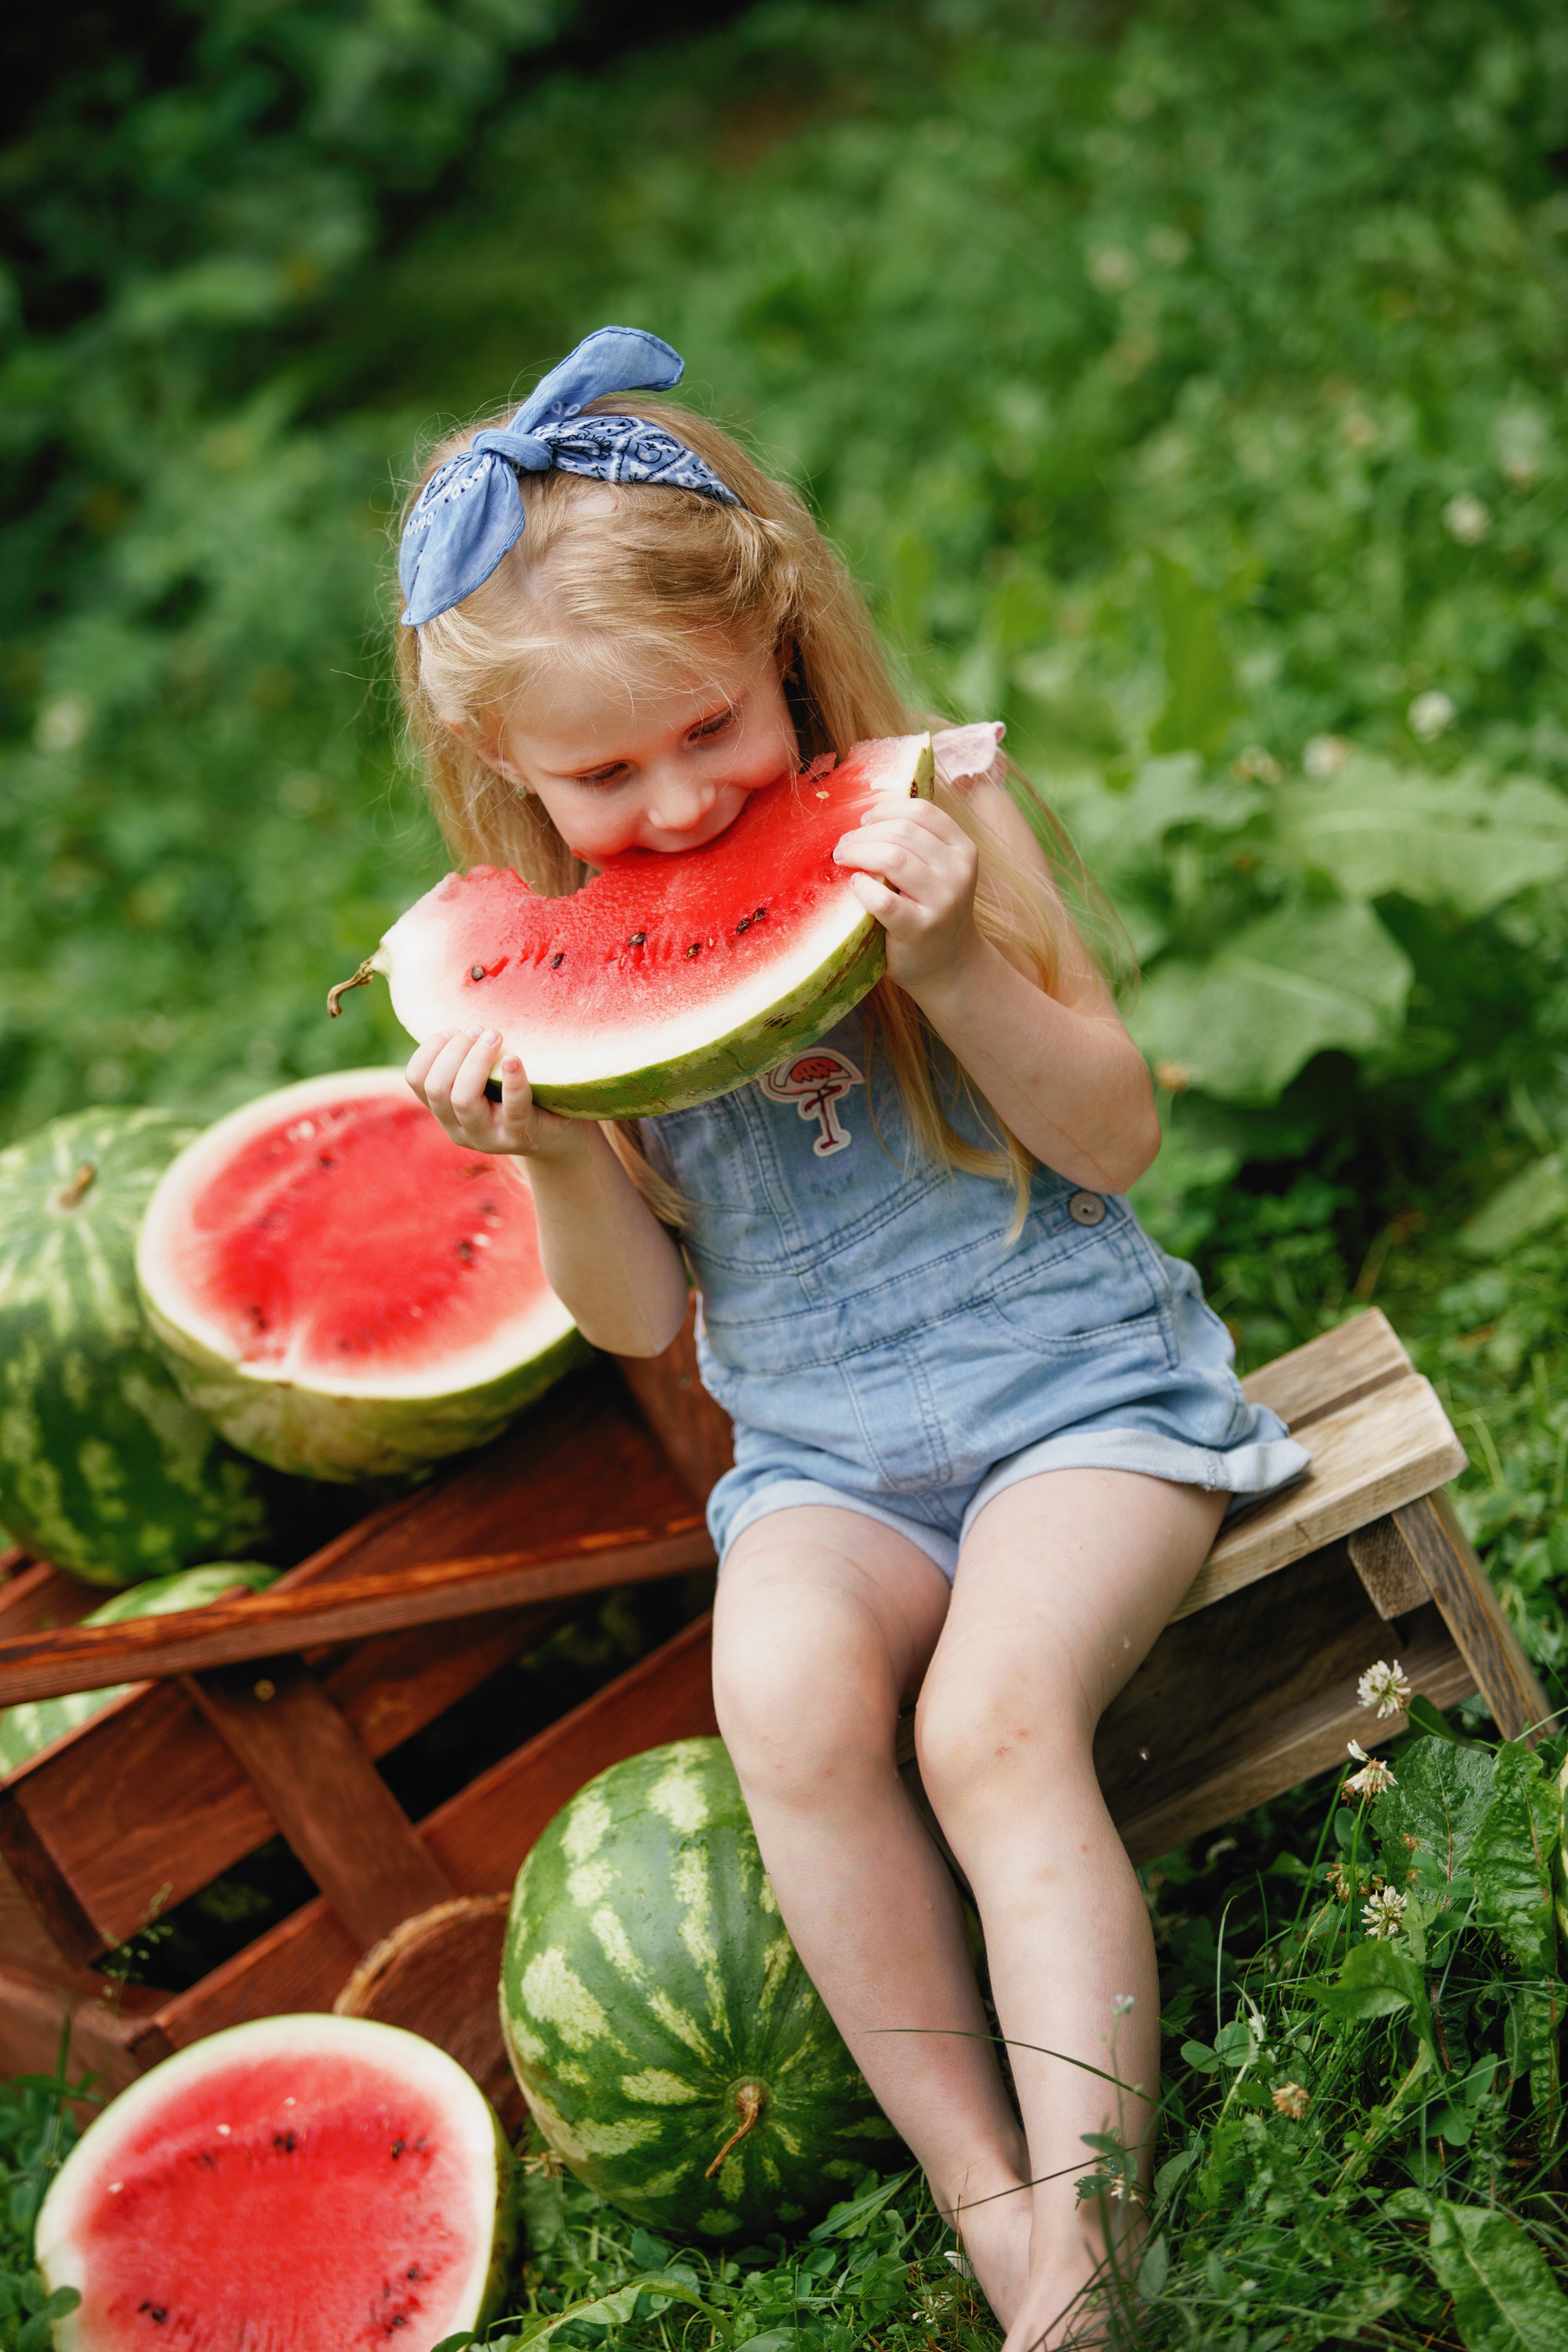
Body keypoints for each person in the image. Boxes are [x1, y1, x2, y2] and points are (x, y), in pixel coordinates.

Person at [393, 328, 1308, 2348]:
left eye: (708, 733)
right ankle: (992, 2207)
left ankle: (1093, 2238)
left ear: (788, 647)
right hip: (817, 1465)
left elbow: (1115, 1131)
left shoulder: (939, 824)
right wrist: (550, 1160)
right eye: (600, 777)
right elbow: (642, 1315)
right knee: (790, 1714)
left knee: (991, 1726)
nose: (677, 803)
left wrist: (960, 958)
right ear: (508, 782)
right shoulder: (548, 974)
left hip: (1084, 1403)